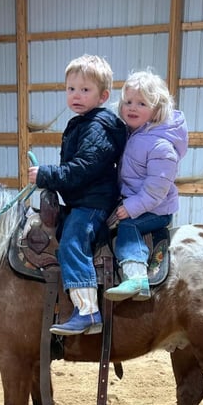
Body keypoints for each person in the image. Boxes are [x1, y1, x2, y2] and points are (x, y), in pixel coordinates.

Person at [28, 54, 127, 335]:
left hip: (93, 203)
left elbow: (82, 169)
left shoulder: (97, 127)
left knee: (72, 239)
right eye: (71, 89)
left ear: (103, 95)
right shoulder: (82, 123)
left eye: (85, 90)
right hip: (83, 198)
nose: (76, 95)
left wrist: (47, 175)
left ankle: (88, 312)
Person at [104, 70, 188, 302]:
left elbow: (156, 190)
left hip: (156, 209)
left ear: (156, 109)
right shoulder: (134, 135)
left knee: (128, 227)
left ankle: (136, 276)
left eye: (142, 103)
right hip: (137, 200)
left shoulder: (161, 146)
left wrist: (131, 208)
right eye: (128, 102)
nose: (132, 107)